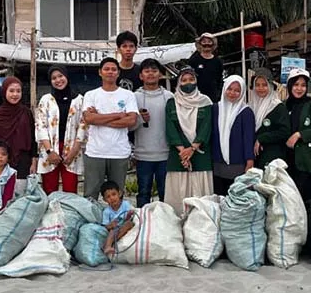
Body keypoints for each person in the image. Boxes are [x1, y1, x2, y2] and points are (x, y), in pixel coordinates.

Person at [80, 58, 138, 201]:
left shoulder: (128, 95)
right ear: (100, 72)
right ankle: (90, 222)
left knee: (117, 196)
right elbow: (88, 119)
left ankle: (117, 222)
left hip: (119, 152)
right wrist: (118, 115)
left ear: (118, 73)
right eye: (107, 69)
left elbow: (131, 120)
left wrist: (99, 118)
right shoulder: (91, 95)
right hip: (95, 152)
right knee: (91, 194)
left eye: (113, 69)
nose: (110, 72)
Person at [164, 67, 214, 215]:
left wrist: (192, 149)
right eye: (184, 80)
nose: (188, 83)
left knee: (201, 198)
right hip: (178, 156)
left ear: (196, 81)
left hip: (200, 153)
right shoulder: (171, 103)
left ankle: (202, 223)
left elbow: (207, 127)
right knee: (178, 198)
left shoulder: (206, 102)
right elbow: (170, 128)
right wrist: (183, 151)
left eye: (191, 80)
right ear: (178, 83)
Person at [35, 66, 84, 193]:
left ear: (67, 77)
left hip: (72, 150)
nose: (58, 80)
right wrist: (50, 151)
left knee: (70, 190)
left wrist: (73, 152)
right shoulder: (46, 100)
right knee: (49, 189)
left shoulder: (79, 100)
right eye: (54, 78)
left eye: (60, 76)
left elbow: (83, 126)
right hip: (49, 149)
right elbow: (40, 126)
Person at [132, 58, 173, 207]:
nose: (151, 74)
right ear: (141, 75)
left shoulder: (169, 97)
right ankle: (143, 223)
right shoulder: (134, 97)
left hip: (165, 153)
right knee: (143, 192)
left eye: (154, 71)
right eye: (147, 71)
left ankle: (166, 223)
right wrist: (140, 120)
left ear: (160, 75)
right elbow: (129, 127)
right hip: (143, 154)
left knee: (166, 193)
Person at [283, 68, 311, 202]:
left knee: (309, 200)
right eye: (296, 85)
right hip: (289, 162)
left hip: (308, 163)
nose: (299, 88)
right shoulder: (284, 106)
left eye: (303, 85)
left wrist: (299, 134)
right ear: (290, 86)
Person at [211, 75, 255, 196]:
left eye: (237, 90)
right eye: (229, 89)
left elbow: (248, 138)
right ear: (224, 89)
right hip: (217, 163)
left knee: (236, 199)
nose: (232, 93)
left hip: (238, 164)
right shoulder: (215, 108)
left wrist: (249, 161)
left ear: (242, 93)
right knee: (219, 197)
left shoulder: (246, 112)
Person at [0, 76, 38, 176]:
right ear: (4, 92)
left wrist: (34, 161)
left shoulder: (26, 112)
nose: (15, 94)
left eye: (18, 91)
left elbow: (33, 138)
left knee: (21, 190)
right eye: (11, 91)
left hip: (23, 161)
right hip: (1, 160)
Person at [250, 69, 288, 170]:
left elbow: (284, 132)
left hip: (273, 158)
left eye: (264, 85)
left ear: (270, 86)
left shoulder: (278, 107)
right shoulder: (251, 107)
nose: (260, 88)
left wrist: (262, 138)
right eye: (257, 85)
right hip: (256, 157)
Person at [187, 33, 224, 104]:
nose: (207, 44)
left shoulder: (218, 61)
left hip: (213, 98)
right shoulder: (194, 60)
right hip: (197, 98)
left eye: (209, 42)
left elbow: (220, 79)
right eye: (204, 42)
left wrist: (219, 95)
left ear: (213, 44)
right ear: (200, 44)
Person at [100, 180, 135, 256]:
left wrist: (129, 215)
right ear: (104, 200)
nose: (112, 198)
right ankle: (108, 246)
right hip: (115, 230)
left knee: (130, 223)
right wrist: (110, 225)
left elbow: (129, 218)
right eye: (108, 197)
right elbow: (105, 226)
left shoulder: (126, 204)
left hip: (124, 226)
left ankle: (110, 243)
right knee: (112, 231)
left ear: (119, 193)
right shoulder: (106, 211)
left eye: (114, 194)